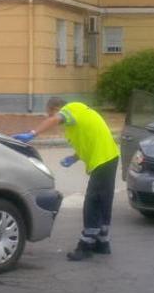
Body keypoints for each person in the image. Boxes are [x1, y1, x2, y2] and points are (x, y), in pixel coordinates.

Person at [13, 97, 120, 260]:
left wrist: (32, 133)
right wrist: (75, 157)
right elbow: (89, 138)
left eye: (49, 114)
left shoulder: (73, 108)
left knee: (92, 203)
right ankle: (102, 242)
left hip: (103, 160)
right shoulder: (78, 118)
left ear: (56, 108)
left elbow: (56, 119)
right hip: (108, 157)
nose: (51, 118)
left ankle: (85, 247)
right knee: (102, 201)